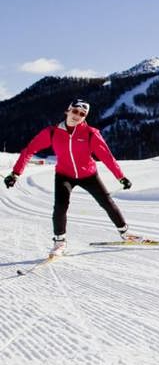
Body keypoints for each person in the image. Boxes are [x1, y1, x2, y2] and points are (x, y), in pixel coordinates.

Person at [4, 99, 136, 257]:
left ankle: (125, 233)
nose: (77, 116)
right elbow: (29, 150)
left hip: (89, 175)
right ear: (68, 111)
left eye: (82, 114)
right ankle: (59, 242)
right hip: (64, 175)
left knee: (107, 202)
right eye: (75, 111)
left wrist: (121, 177)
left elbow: (107, 157)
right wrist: (15, 173)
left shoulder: (90, 133)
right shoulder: (52, 132)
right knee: (60, 207)